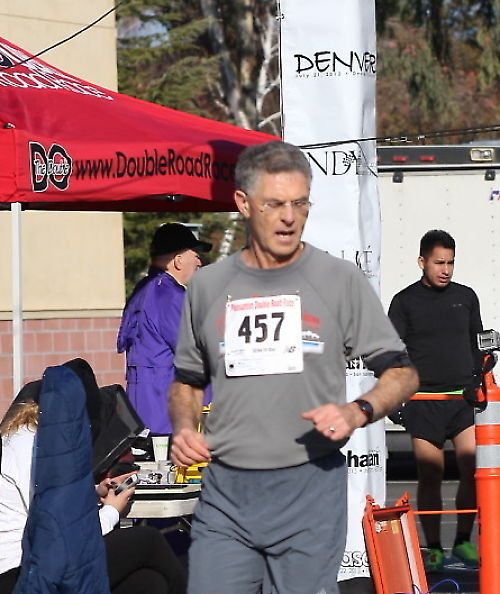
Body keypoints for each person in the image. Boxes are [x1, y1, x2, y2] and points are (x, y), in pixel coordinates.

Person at [168, 140, 419, 594]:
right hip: (227, 493)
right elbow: (187, 381)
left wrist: (357, 410)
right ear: (243, 203)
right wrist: (184, 427)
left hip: (308, 490)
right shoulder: (207, 286)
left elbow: (402, 373)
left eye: (300, 204)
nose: (289, 217)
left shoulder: (338, 280)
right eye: (275, 204)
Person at [0, 377, 187, 594]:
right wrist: (111, 511)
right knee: (148, 541)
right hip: (21, 574)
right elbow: (68, 536)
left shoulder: (23, 438)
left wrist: (94, 492)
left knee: (147, 583)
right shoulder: (34, 450)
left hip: (33, 567)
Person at [388, 229, 482, 572]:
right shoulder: (404, 301)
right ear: (421, 262)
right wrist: (396, 399)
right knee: (431, 475)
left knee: (473, 471)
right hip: (423, 401)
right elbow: (390, 352)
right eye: (439, 262)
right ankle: (434, 549)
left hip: (462, 402)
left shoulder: (466, 297)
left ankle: (463, 542)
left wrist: (478, 379)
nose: (446, 270)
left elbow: (478, 345)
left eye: (450, 263)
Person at [117, 222, 212, 434]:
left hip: (143, 412)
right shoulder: (171, 296)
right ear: (178, 260)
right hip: (167, 416)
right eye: (196, 255)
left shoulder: (144, 289)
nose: (199, 262)